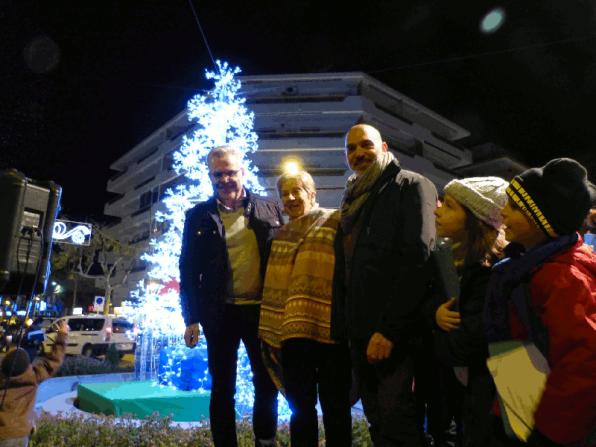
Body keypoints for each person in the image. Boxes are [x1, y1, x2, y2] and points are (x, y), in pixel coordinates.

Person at [331, 123, 438, 446]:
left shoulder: (411, 186)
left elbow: (418, 260)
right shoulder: (352, 199)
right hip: (360, 335)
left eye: (366, 145)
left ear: (385, 147)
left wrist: (390, 329)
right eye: (351, 149)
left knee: (399, 426)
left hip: (397, 337)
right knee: (378, 424)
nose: (358, 154)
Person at [484, 158, 596, 447]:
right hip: (523, 405)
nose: (503, 212)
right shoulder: (527, 267)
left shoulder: (562, 277)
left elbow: (583, 361)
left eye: (516, 207)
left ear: (543, 220)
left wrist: (547, 432)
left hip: (544, 424)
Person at [179, 145, 282, 447]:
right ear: (211, 176)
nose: (225, 179)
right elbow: (187, 270)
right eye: (218, 174)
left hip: (261, 312)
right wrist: (191, 318)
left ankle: (265, 439)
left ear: (243, 172)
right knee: (223, 387)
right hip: (219, 314)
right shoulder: (197, 216)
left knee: (267, 383)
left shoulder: (269, 209)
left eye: (230, 172)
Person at [259, 170, 351, 446]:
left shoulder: (336, 220)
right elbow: (274, 286)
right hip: (294, 337)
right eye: (284, 194)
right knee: (301, 410)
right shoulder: (279, 236)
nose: (289, 198)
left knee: (336, 406)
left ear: (312, 193)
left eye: (296, 191)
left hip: (332, 329)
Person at [427, 177, 508, 447]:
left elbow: (466, 346)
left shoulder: (491, 272)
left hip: (486, 398)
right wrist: (435, 315)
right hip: (459, 396)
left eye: (449, 206)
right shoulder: (446, 259)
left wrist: (434, 332)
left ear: (475, 220)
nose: (437, 210)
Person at [0, 320, 68, 446]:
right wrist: (62, 336)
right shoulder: (33, 377)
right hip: (21, 434)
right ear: (27, 366)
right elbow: (52, 361)